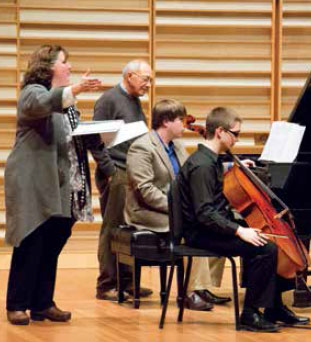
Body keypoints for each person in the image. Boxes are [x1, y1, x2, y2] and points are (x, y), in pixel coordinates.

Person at [177, 107, 311, 332]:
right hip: (200, 233)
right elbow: (205, 213)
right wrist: (239, 231)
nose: (237, 140)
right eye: (235, 134)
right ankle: (250, 313)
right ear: (220, 131)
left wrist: (232, 167)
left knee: (272, 239)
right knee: (265, 248)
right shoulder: (201, 165)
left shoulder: (211, 161)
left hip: (213, 226)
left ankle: (274, 307)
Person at [4, 45, 101, 325]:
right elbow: (40, 105)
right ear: (48, 67)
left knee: (52, 244)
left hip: (62, 185)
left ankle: (42, 303)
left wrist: (101, 134)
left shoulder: (66, 105)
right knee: (31, 240)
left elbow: (74, 135)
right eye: (64, 62)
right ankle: (17, 304)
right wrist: (76, 90)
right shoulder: (33, 92)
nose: (69, 67)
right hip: (33, 182)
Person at [125, 99, 230, 311]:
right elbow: (146, 191)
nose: (185, 124)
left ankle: (202, 286)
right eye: (181, 120)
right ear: (165, 122)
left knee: (218, 223)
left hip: (174, 209)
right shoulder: (142, 147)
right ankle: (190, 293)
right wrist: (179, 208)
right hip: (147, 212)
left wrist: (224, 167)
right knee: (195, 227)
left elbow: (189, 176)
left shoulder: (179, 146)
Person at [91, 60, 153, 301]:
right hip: (116, 171)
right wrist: (109, 171)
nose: (149, 84)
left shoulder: (134, 100)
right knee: (112, 228)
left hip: (132, 171)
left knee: (128, 229)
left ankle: (127, 283)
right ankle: (106, 284)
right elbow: (94, 139)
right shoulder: (108, 100)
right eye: (145, 79)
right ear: (129, 76)